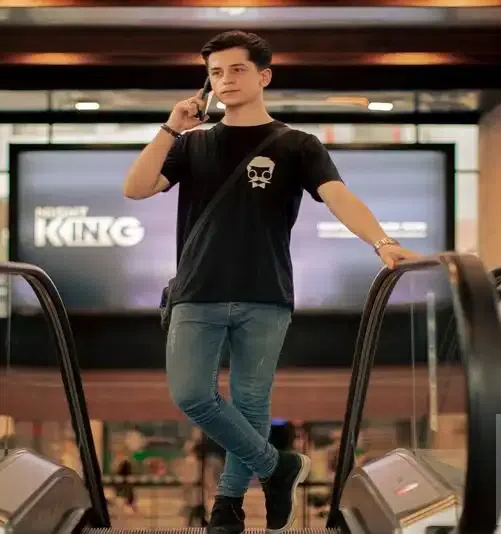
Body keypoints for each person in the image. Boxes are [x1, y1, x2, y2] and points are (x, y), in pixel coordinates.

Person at [122, 30, 418, 534]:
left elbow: (338, 196)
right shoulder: (192, 145)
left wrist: (382, 242)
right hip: (196, 291)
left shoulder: (297, 145)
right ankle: (276, 466)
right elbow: (135, 188)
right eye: (216, 73)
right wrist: (170, 128)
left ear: (264, 76)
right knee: (191, 394)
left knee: (251, 403)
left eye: (237, 69)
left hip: (266, 294)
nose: (226, 80)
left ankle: (228, 507)